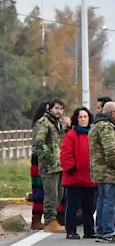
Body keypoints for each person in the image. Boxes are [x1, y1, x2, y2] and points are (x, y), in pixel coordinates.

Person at [89, 102, 115, 244]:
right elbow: (111, 151)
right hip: (109, 171)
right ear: (112, 113)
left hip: (100, 170)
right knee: (109, 201)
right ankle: (107, 232)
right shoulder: (106, 127)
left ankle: (100, 230)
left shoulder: (96, 125)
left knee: (102, 201)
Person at [33, 98, 71, 233]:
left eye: (61, 109)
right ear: (50, 108)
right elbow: (38, 143)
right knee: (51, 195)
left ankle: (53, 220)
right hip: (49, 166)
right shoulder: (44, 123)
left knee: (58, 195)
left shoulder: (59, 123)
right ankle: (49, 222)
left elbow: (64, 141)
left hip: (60, 165)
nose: (59, 111)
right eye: (56, 108)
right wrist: (50, 158)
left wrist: (68, 127)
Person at [60, 107, 97, 240]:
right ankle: (71, 231)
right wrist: (71, 168)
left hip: (89, 177)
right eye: (80, 117)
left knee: (88, 207)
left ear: (89, 118)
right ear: (76, 119)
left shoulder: (93, 134)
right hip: (74, 178)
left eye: (85, 116)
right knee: (72, 206)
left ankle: (89, 231)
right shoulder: (70, 135)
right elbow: (65, 154)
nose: (83, 119)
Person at [29, 102, 49, 230]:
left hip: (48, 161)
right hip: (38, 160)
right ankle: (36, 220)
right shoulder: (40, 125)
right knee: (39, 190)